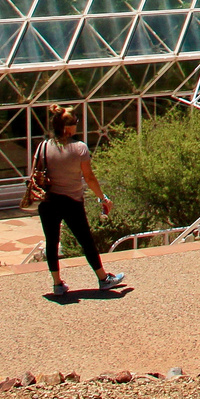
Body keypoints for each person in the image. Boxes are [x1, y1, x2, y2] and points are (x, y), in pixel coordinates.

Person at [35, 105, 125, 297]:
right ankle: (103, 279)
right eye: (75, 123)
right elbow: (89, 178)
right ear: (68, 127)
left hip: (48, 201)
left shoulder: (43, 146)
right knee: (86, 240)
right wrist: (103, 198)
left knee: (51, 242)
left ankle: (57, 283)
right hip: (71, 201)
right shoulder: (79, 148)